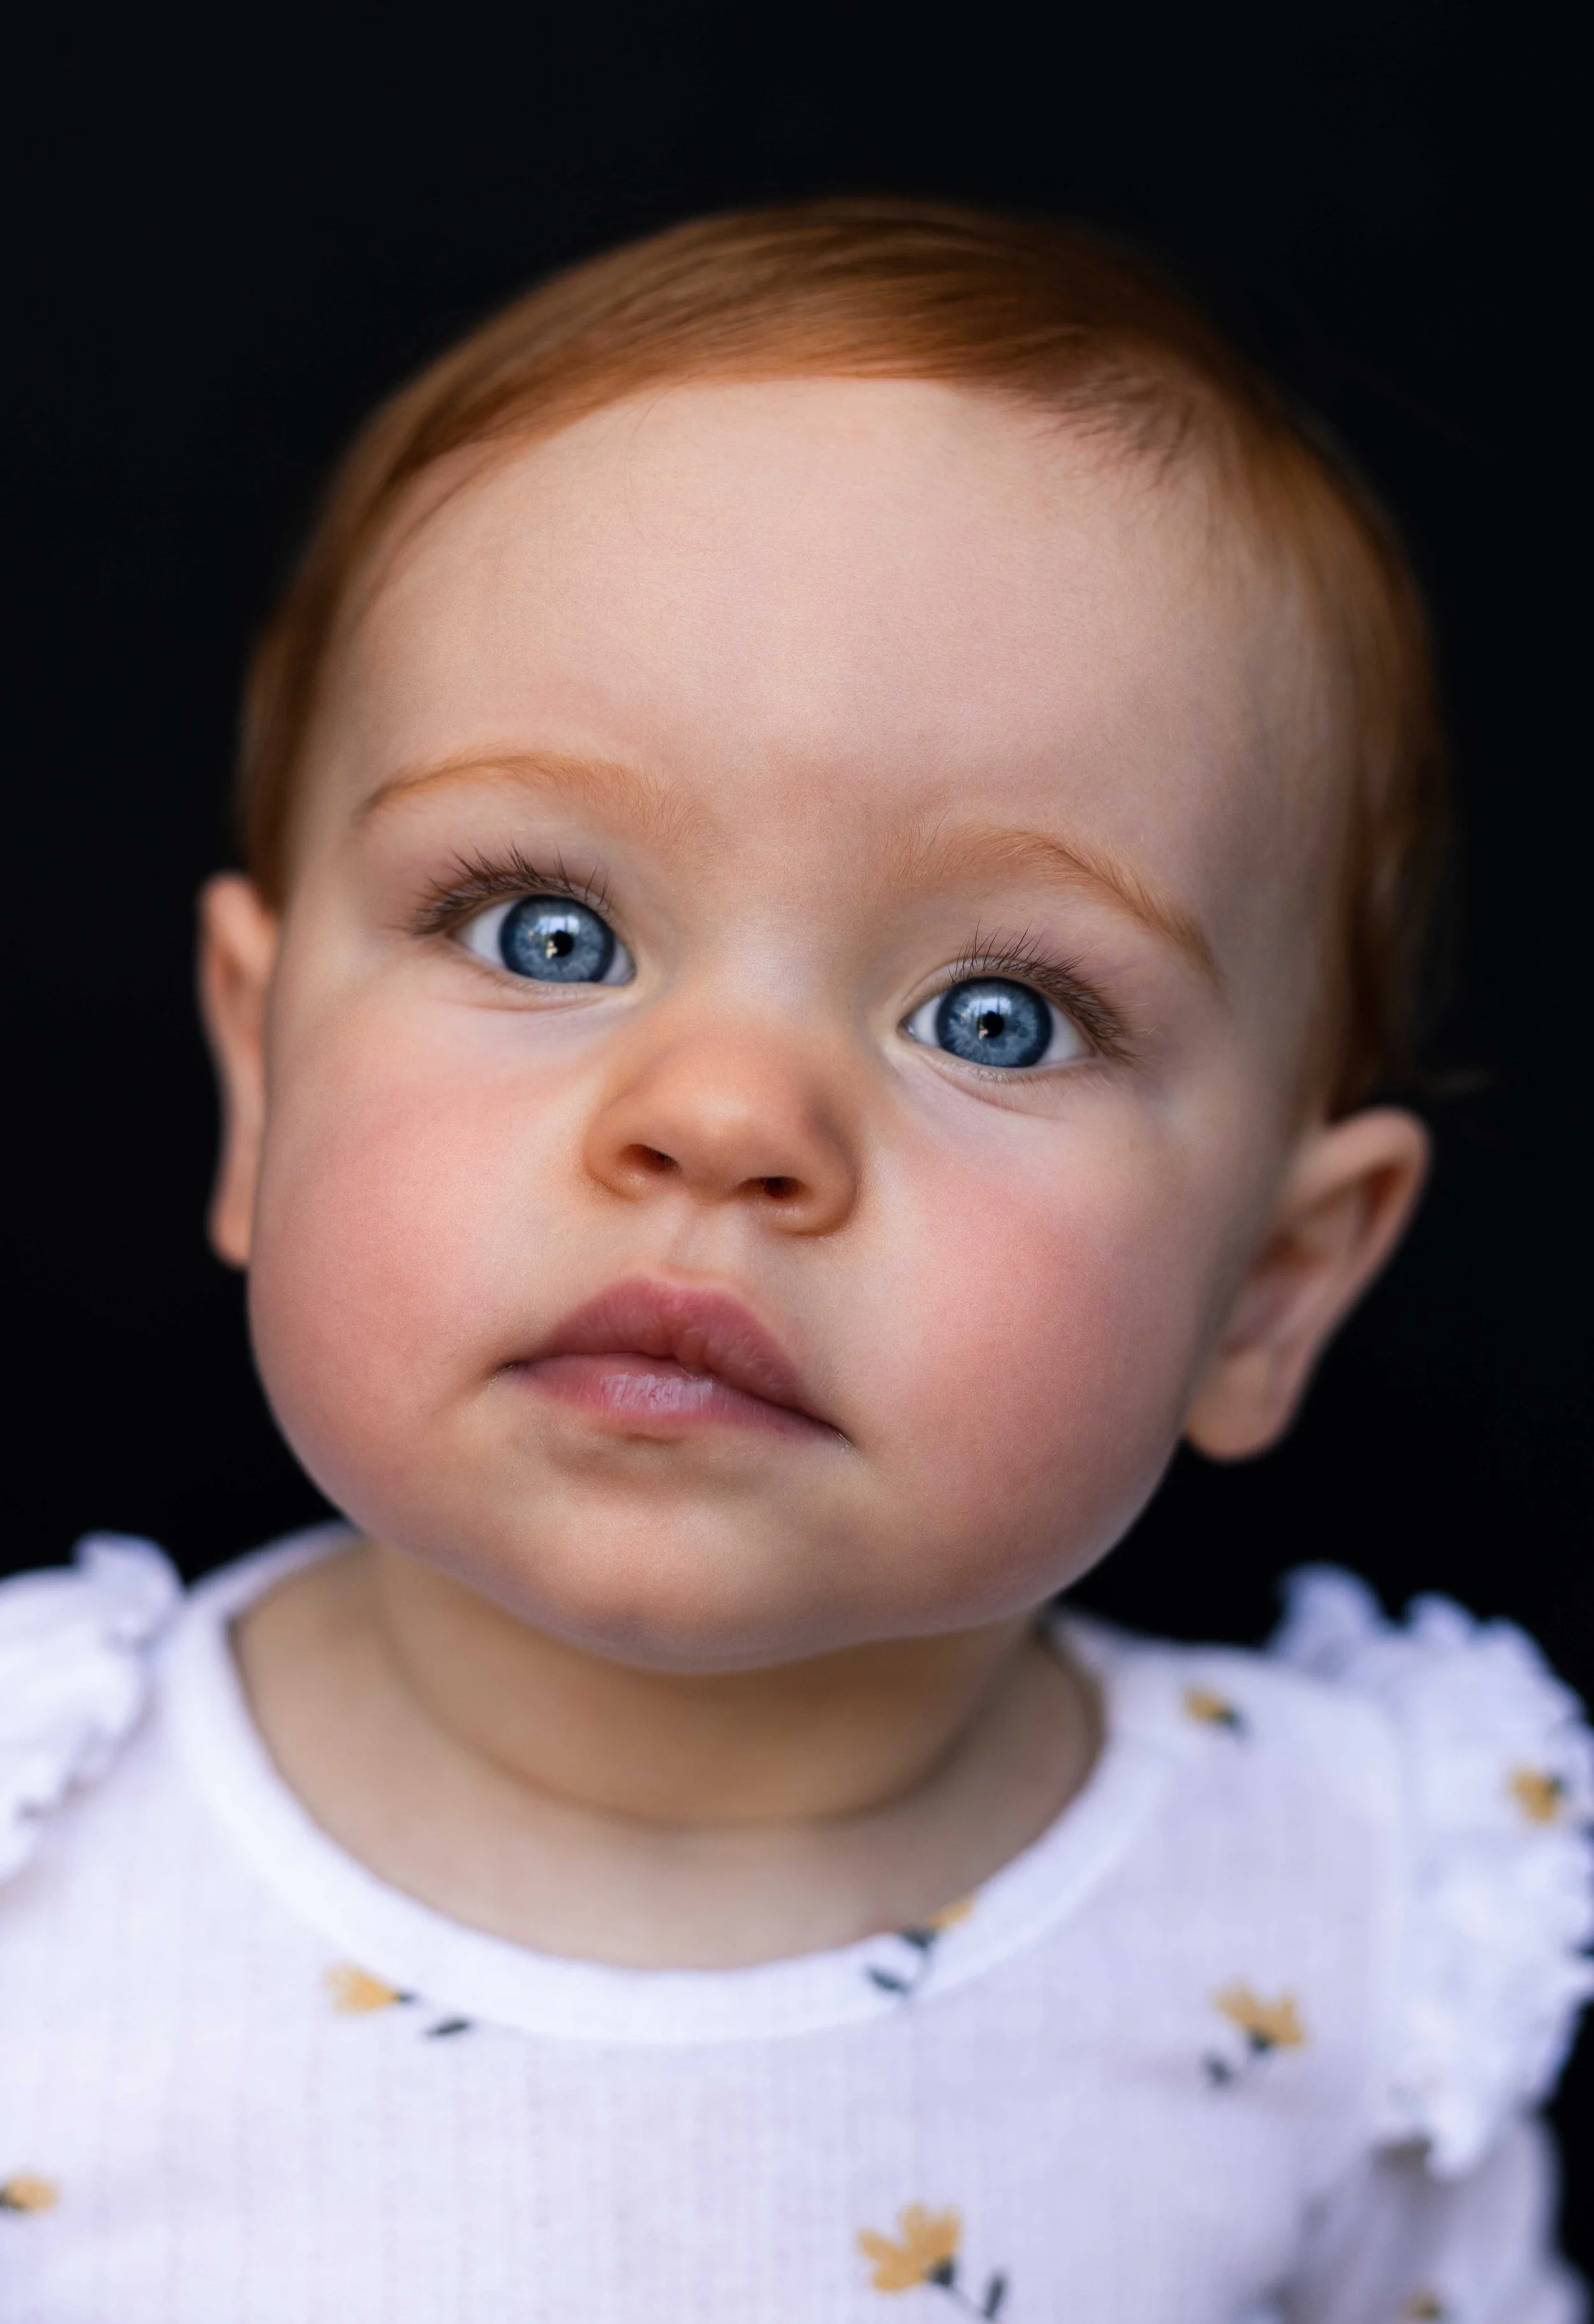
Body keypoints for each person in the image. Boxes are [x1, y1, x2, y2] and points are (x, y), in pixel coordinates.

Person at [1, 200, 1588, 2323]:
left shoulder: (1353, 1924)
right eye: (544, 930)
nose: (727, 1119)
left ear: (1275, 1283)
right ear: (263, 1083)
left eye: (998, 1015)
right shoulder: (34, 1850)